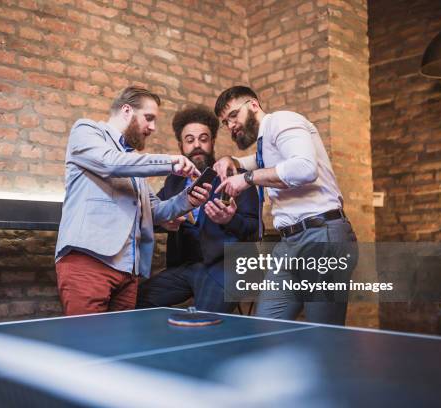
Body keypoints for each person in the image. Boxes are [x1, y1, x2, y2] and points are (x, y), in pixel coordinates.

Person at [55, 87, 211, 316]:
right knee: (86, 344)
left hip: (129, 272)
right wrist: (170, 162)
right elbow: (110, 163)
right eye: (149, 118)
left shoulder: (133, 163)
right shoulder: (87, 130)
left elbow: (156, 209)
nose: (152, 128)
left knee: (122, 346)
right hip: (88, 263)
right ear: (126, 110)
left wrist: (188, 199)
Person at [213, 85, 357, 325]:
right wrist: (233, 160)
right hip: (290, 243)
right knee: (265, 328)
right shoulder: (265, 142)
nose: (231, 126)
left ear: (253, 105)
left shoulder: (282, 120)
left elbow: (304, 168)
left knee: (322, 335)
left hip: (322, 236)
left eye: (233, 116)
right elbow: (258, 161)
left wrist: (247, 179)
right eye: (225, 123)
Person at [136, 105, 259, 313]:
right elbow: (154, 210)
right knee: (136, 301)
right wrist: (164, 221)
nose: (197, 145)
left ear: (212, 142)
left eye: (203, 139)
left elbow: (255, 228)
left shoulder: (234, 175)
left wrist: (229, 220)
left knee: (204, 322)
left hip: (228, 267)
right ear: (181, 146)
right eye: (190, 140)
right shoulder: (174, 181)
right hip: (185, 267)